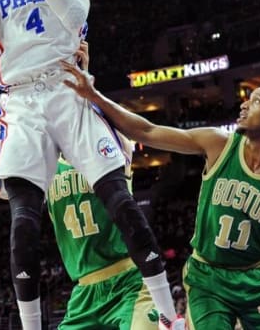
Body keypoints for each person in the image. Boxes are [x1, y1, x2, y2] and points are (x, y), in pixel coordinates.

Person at [0, 0, 175, 328]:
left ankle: (167, 314)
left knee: (118, 197)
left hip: (69, 87)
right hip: (22, 100)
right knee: (23, 218)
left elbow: (76, 15)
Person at [61, 59, 260, 329]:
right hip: (209, 279)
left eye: (255, 102)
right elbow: (147, 131)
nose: (243, 103)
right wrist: (92, 95)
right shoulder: (218, 143)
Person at [41, 43, 183, 330]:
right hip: (83, 293)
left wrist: (85, 80)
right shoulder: (45, 162)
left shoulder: (112, 143)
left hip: (129, 282)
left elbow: (123, 126)